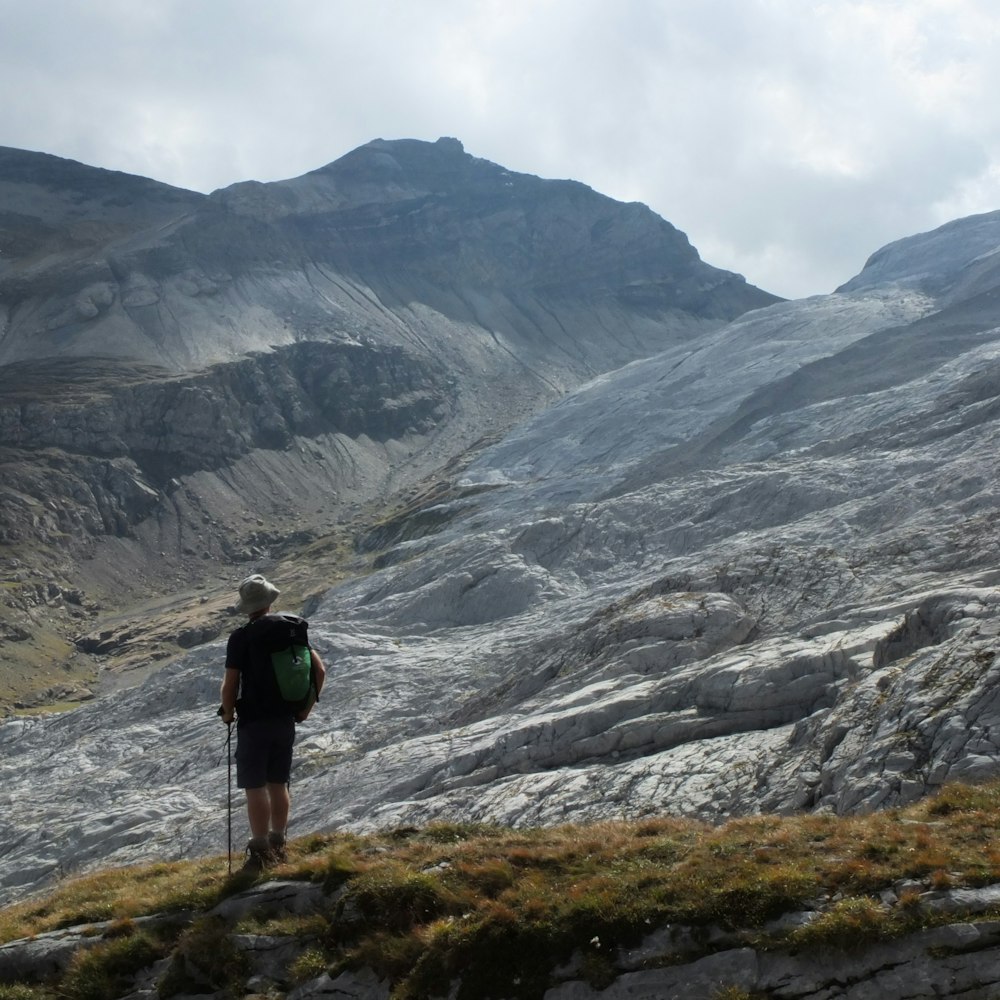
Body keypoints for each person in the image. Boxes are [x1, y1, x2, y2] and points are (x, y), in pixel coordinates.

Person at [219, 573, 326, 871]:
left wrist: (227, 713)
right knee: (278, 783)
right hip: (284, 720)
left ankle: (260, 851)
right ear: (270, 601)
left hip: (254, 721)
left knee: (254, 787)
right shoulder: (291, 629)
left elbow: (230, 684)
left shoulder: (241, 636)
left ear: (247, 606)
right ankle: (279, 843)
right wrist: (304, 709)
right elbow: (319, 671)